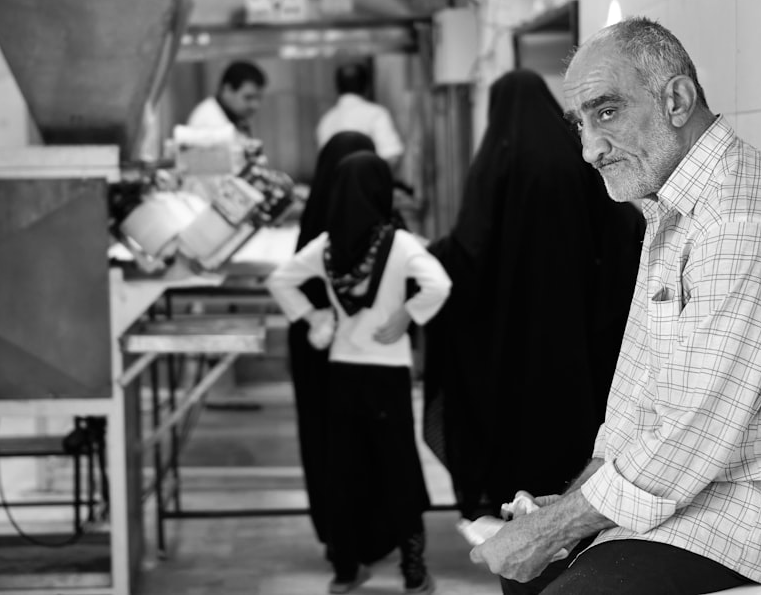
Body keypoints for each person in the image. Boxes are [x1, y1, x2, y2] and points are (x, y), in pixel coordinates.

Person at [470, 17, 761, 594]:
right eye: (579, 124)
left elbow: (692, 434)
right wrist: (566, 509)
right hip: (696, 489)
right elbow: (634, 400)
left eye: (606, 112)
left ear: (676, 99)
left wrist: (555, 529)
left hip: (760, 507)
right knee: (530, 574)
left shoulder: (745, 220)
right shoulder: (672, 207)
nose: (589, 149)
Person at [422, 69, 643, 563]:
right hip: (576, 344)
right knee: (574, 433)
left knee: (511, 439)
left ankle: (514, 524)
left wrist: (428, 257)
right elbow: (626, 229)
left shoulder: (497, 163)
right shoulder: (576, 159)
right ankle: (576, 522)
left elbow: (470, 251)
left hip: (509, 344)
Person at [267, 152, 450, 595]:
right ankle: (412, 570)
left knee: (344, 470)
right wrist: (408, 315)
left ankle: (346, 571)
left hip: (342, 372)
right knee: (398, 468)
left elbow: (280, 280)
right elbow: (440, 284)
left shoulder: (327, 245)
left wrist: (314, 319)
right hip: (387, 374)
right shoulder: (399, 243)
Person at [287, 131, 379, 553]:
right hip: (372, 360)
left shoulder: (312, 233)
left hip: (317, 356)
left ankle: (337, 533)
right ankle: (375, 530)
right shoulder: (384, 227)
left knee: (325, 438)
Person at [173, 60, 267, 172]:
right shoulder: (208, 121)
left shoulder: (233, 116)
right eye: (248, 98)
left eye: (259, 98)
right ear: (227, 90)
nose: (255, 105)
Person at [316, 62, 404, 170]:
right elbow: (392, 156)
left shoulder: (326, 120)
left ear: (337, 87)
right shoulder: (376, 114)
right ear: (366, 86)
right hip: (370, 185)